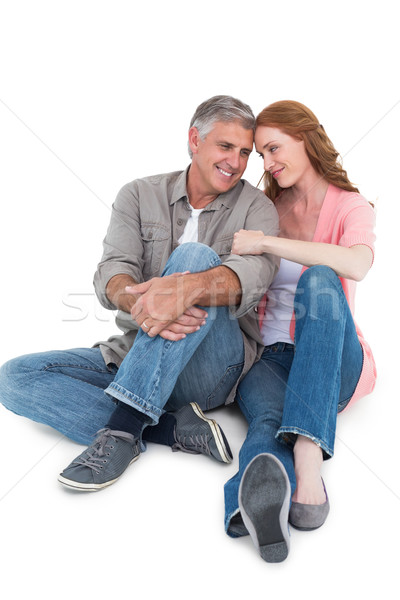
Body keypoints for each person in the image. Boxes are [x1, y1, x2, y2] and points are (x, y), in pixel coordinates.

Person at [0, 95, 279, 492]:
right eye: (226, 146)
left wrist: (186, 289)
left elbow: (253, 277)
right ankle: (170, 428)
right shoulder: (138, 194)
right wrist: (144, 304)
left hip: (213, 367)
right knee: (14, 377)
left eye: (245, 152)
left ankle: (124, 429)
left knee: (195, 257)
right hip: (134, 349)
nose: (235, 161)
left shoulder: (258, 208)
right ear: (194, 139)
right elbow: (113, 271)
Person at [223, 100, 376, 563]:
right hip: (268, 358)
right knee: (267, 424)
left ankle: (309, 452)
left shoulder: (352, 206)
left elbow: (356, 264)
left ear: (305, 138)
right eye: (262, 155)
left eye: (274, 149)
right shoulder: (264, 207)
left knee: (322, 278)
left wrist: (266, 243)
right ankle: (248, 510)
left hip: (332, 357)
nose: (268, 164)